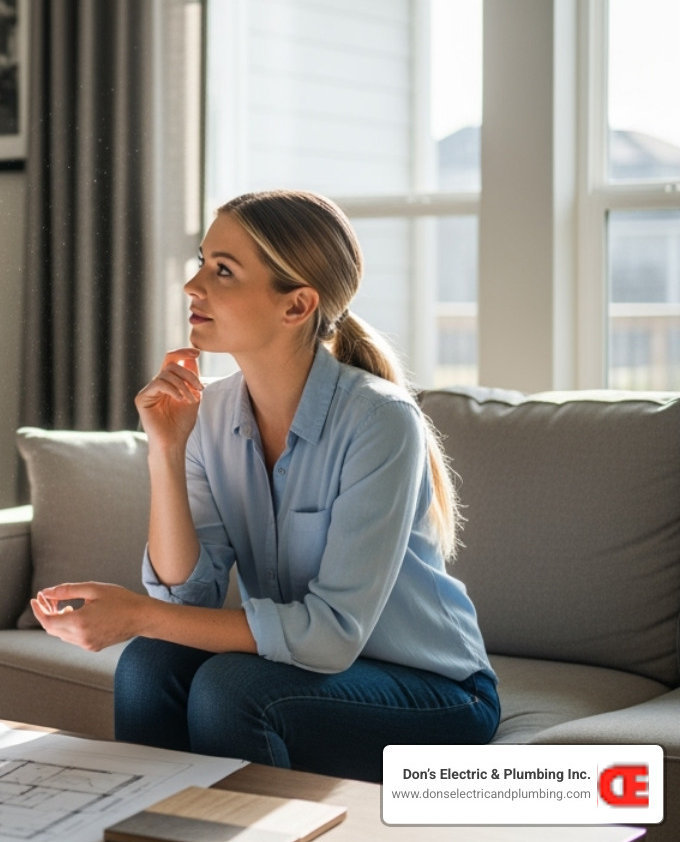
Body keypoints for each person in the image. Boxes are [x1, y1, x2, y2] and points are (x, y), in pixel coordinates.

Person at [30, 189, 498, 782]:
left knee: (232, 690)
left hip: (437, 694)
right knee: (150, 664)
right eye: (202, 261)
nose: (193, 286)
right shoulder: (211, 411)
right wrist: (167, 451)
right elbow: (187, 598)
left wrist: (137, 614)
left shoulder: (378, 419)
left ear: (296, 305)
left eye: (223, 270)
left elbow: (329, 639)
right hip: (310, 674)